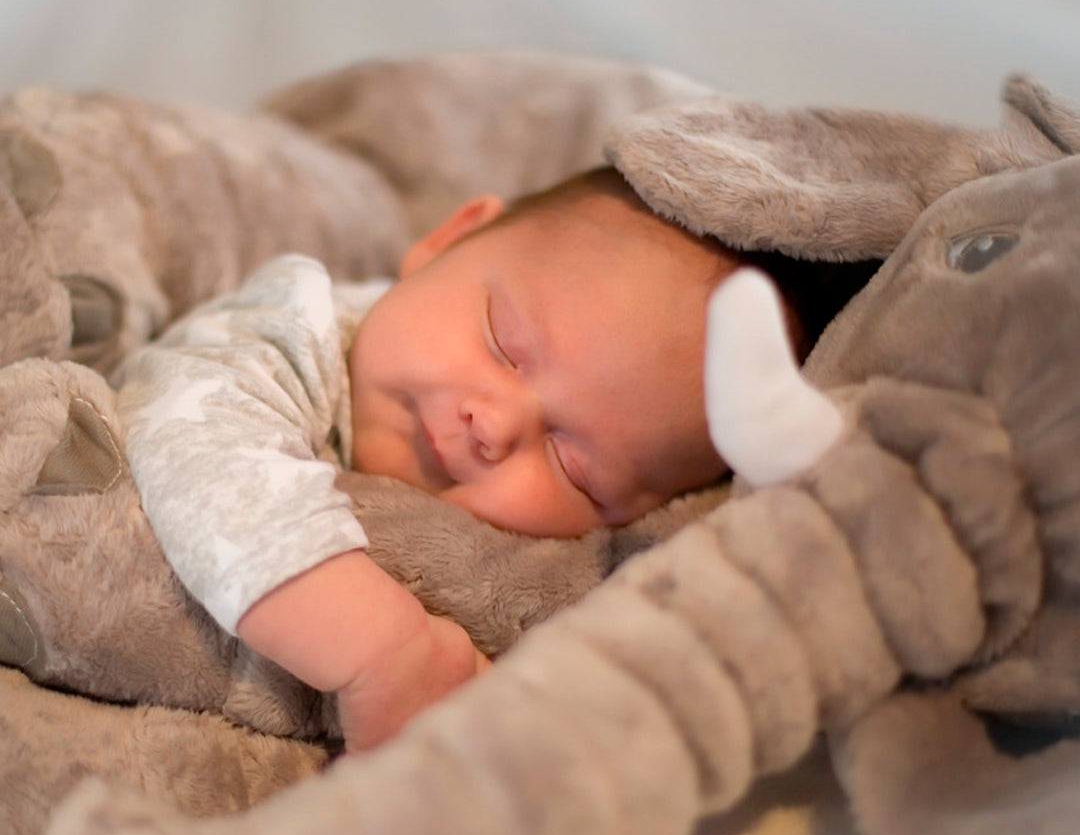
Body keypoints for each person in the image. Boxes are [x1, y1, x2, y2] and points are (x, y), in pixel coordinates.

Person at [116, 167, 823, 754]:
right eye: (502, 342)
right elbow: (196, 442)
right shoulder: (286, 330)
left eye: (574, 465)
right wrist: (385, 653)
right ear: (448, 240)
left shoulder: (544, 573)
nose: (494, 423)